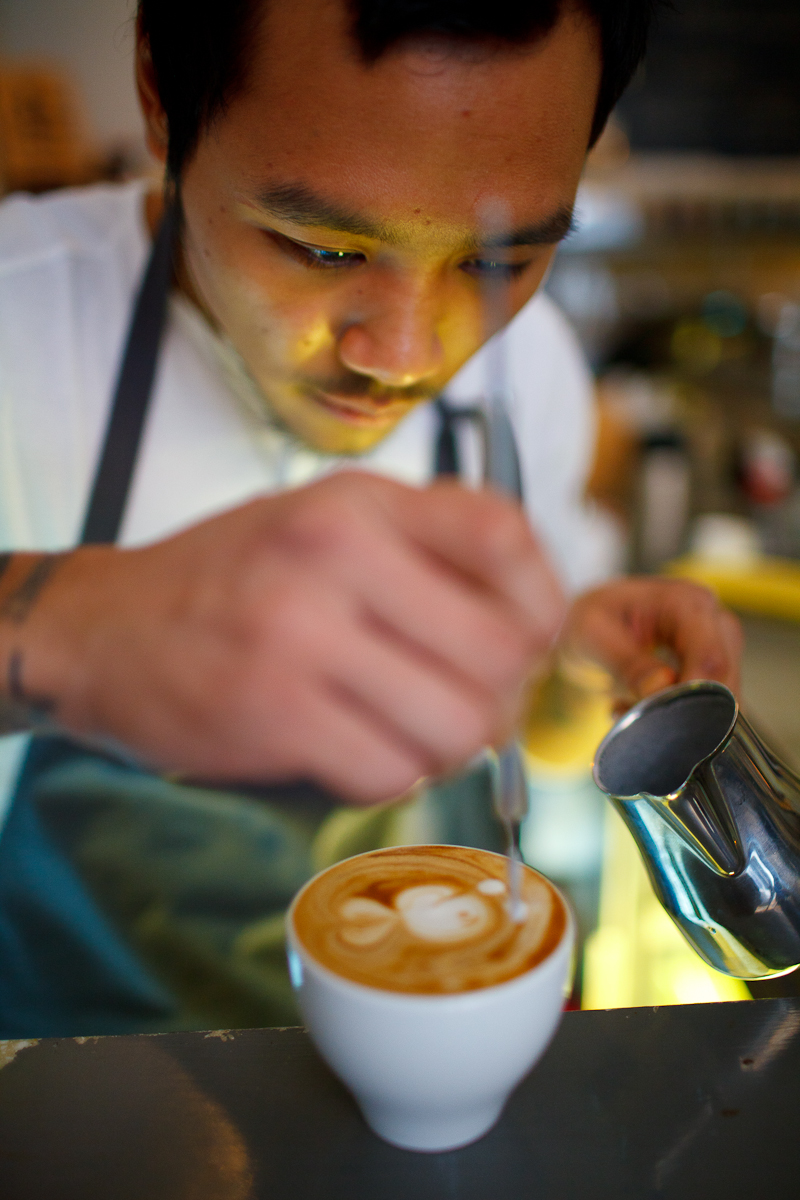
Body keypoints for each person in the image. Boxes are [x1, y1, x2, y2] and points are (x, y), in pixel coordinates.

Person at [0, 0, 741, 1036]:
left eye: (492, 263)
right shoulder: (17, 320)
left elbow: (531, 740)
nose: (405, 355)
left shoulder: (527, 377)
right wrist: (66, 627)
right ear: (162, 98)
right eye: (324, 249)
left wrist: (568, 682)